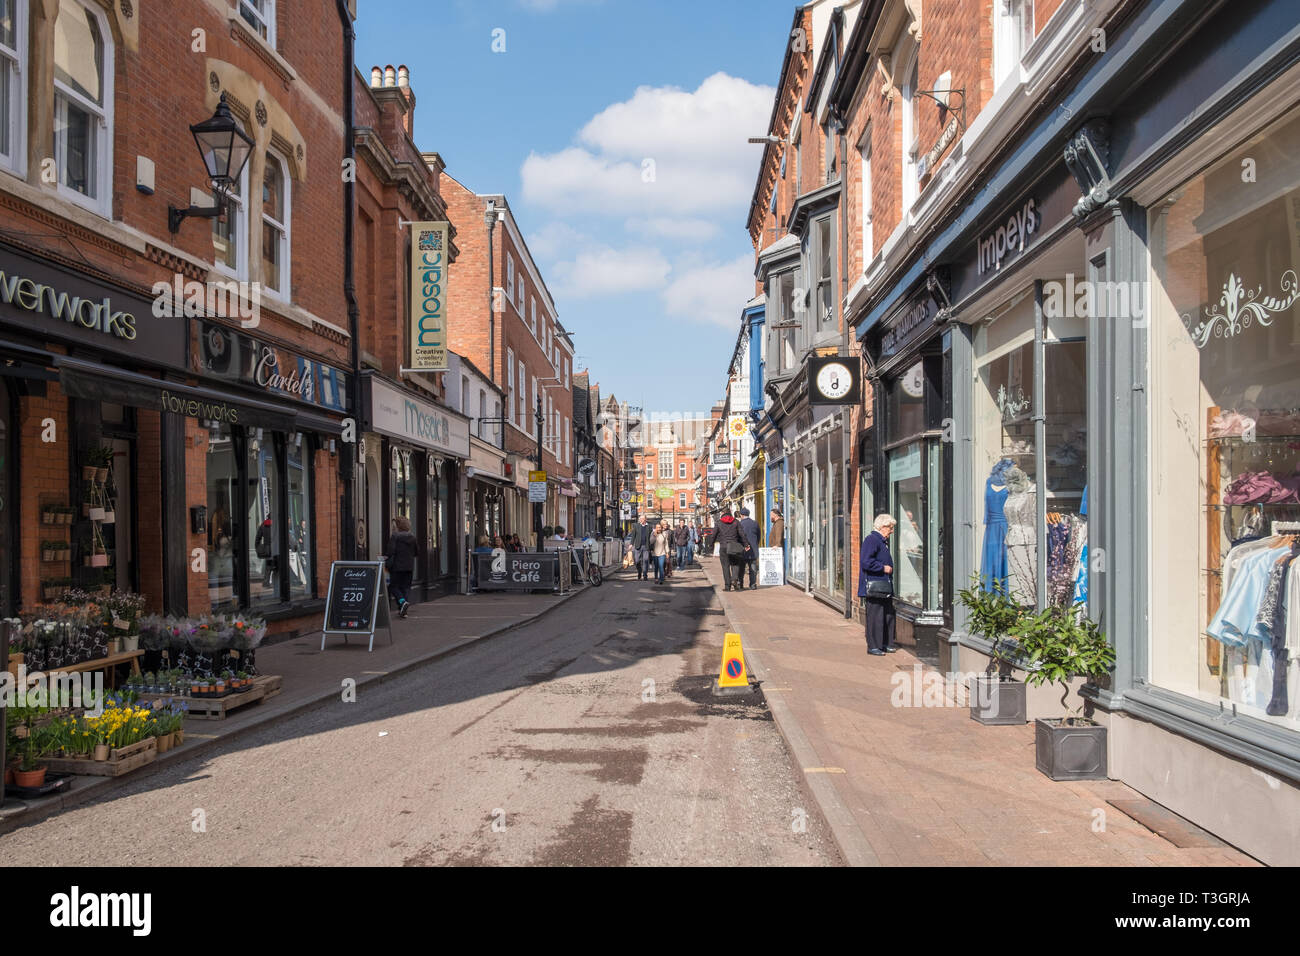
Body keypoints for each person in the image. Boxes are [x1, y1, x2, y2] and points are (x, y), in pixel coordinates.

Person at [859, 514, 898, 655]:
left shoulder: (881, 541)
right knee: (875, 615)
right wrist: (883, 568)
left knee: (887, 614)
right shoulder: (872, 540)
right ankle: (873, 646)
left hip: (884, 585)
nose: (892, 531)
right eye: (890, 528)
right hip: (875, 585)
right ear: (883, 527)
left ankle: (885, 643)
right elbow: (865, 561)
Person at [386, 516, 419, 618]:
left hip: (397, 566)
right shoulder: (413, 537)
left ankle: (402, 601)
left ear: (398, 526)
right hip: (409, 566)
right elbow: (416, 552)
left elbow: (390, 551)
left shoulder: (395, 537)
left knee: (393, 587)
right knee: (405, 587)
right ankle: (403, 610)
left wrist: (385, 557)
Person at [715, 508, 745, 591]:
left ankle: (727, 586)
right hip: (734, 545)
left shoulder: (719, 522)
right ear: (730, 513)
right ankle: (734, 579)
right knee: (735, 564)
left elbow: (714, 534)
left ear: (723, 513)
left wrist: (710, 545)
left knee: (725, 567)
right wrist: (746, 544)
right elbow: (742, 534)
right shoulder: (736, 522)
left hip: (723, 547)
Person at [738, 507, 761, 589]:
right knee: (753, 568)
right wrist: (755, 544)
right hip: (753, 549)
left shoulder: (739, 524)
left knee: (741, 568)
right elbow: (758, 536)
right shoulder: (755, 523)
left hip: (743, 549)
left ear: (741, 515)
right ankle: (753, 584)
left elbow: (738, 537)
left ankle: (740, 584)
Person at [629, 515, 652, 580]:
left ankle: (645, 575)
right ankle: (639, 571)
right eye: (640, 519)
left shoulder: (649, 527)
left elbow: (651, 536)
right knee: (637, 561)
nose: (641, 520)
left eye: (642, 519)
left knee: (645, 560)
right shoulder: (636, 526)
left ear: (645, 519)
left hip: (646, 546)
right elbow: (633, 535)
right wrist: (631, 544)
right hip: (637, 546)